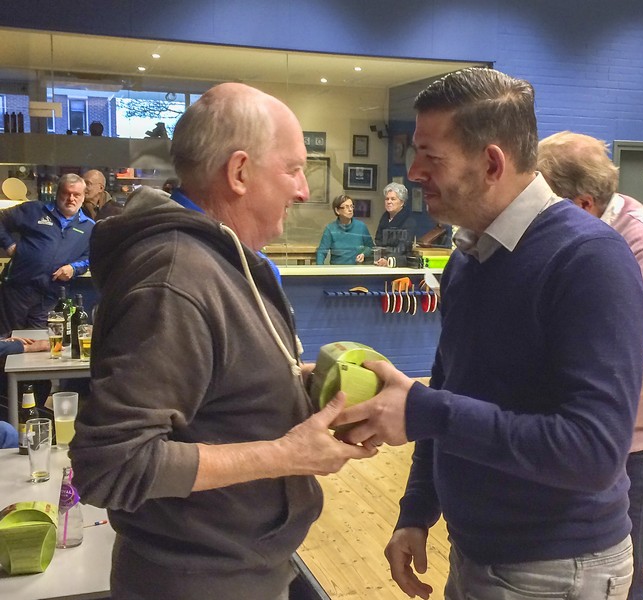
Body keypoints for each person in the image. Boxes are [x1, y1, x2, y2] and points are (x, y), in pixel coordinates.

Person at [333, 68, 643, 600]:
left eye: (431, 158)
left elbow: (593, 453)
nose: (413, 172)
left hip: (556, 570)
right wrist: (417, 510)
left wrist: (423, 412)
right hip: (477, 550)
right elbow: (447, 390)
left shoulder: (590, 259)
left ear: (492, 162)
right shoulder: (471, 254)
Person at [69, 83, 375, 600]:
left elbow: (213, 393)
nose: (303, 190)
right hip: (197, 582)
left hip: (242, 566)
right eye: (293, 169)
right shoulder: (176, 279)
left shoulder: (220, 260)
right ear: (238, 173)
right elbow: (110, 466)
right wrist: (285, 455)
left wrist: (305, 386)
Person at [538, 131, 643, 600]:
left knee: (624, 576)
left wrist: (552, 381)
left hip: (640, 440)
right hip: (596, 431)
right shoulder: (590, 229)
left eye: (545, 201)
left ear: (583, 203)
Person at [0, 173, 95, 336]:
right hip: (17, 289)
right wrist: (8, 245)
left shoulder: (89, 227)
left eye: (77, 194)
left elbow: (91, 257)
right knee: (6, 340)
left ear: (83, 196)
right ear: (58, 193)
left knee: (40, 344)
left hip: (51, 296)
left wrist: (73, 268)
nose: (71, 199)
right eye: (67, 193)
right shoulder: (35, 210)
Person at [315, 194, 374, 264]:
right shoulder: (330, 229)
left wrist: (364, 254)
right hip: (337, 271)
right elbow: (321, 252)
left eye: (352, 206)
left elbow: (371, 247)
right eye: (346, 207)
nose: (350, 209)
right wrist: (320, 270)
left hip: (357, 270)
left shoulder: (361, 226)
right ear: (337, 211)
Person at [374, 182, 416, 265]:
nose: (389, 202)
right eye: (387, 199)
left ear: (402, 202)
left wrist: (388, 259)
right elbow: (378, 240)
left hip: (399, 262)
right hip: (381, 261)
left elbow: (403, 247)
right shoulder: (384, 218)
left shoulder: (409, 221)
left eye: (393, 199)